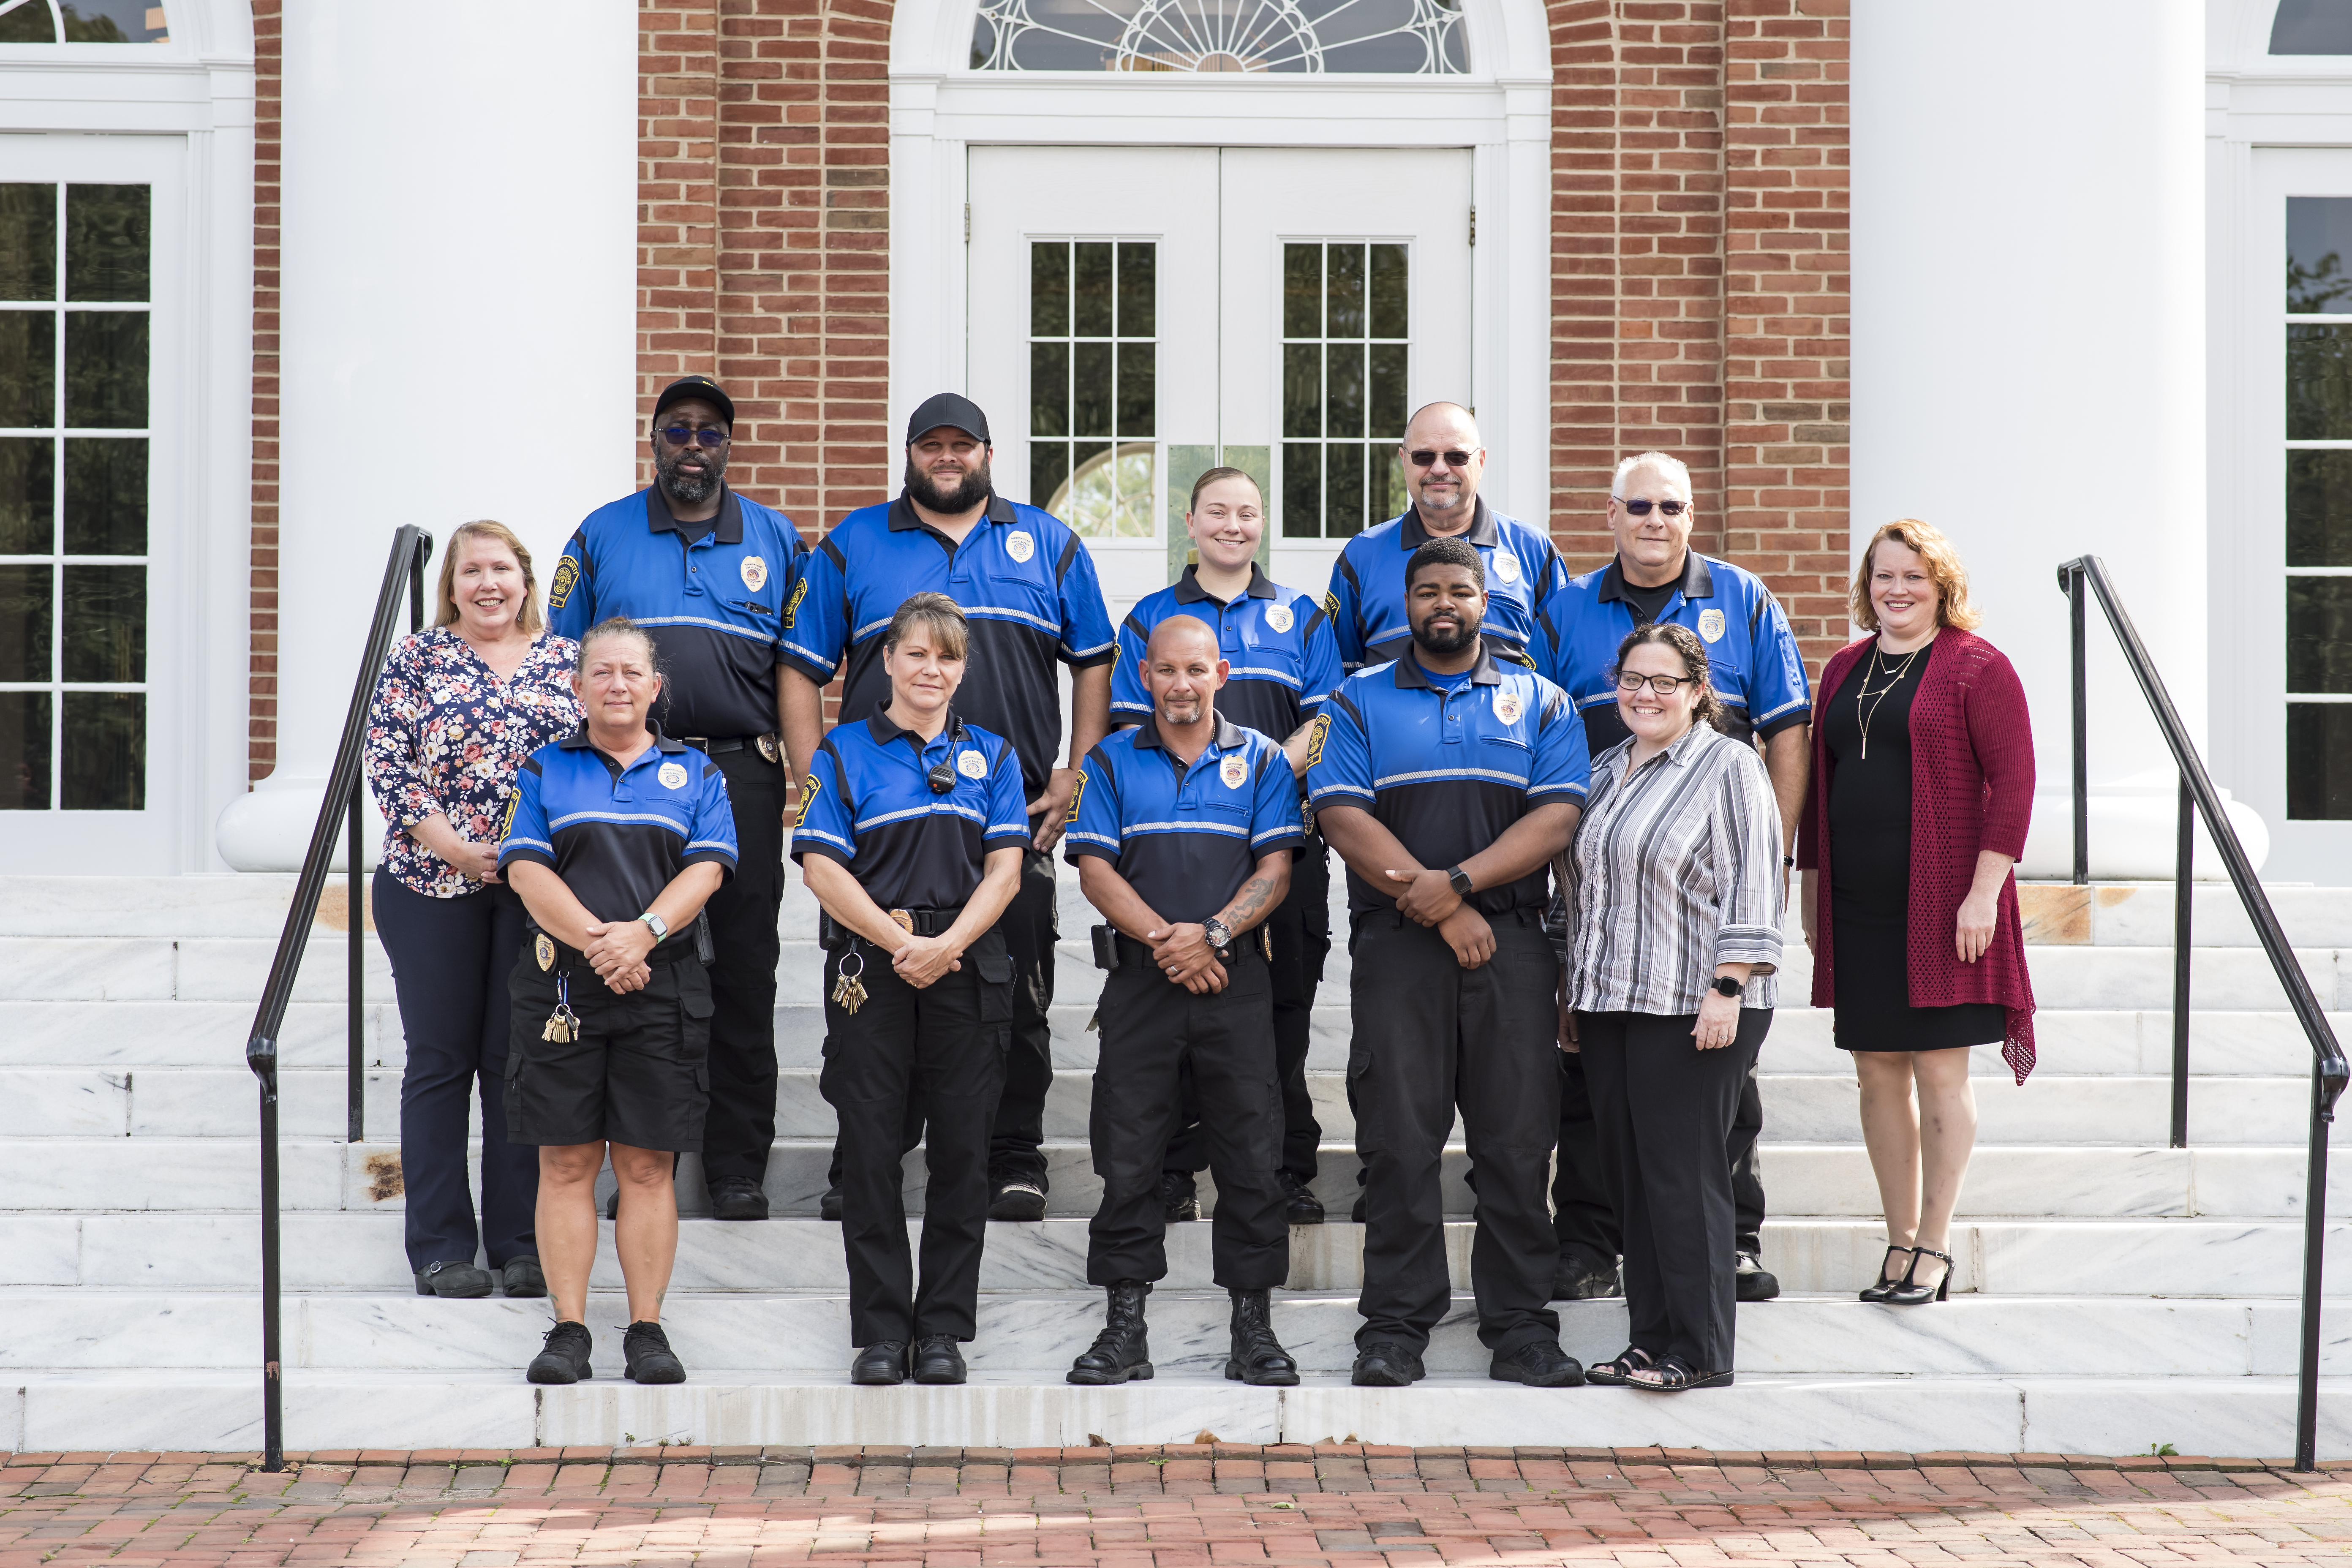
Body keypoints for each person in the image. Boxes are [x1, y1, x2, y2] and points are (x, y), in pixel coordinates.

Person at [782, 393, 1116, 1222]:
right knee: (866, 999)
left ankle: (1015, 1157)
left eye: (960, 445)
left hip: (1013, 817)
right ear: (908, 453)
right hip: (881, 825)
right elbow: (799, 668)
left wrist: (1078, 768)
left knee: (1018, 999)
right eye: (930, 444)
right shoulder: (855, 543)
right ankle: (867, 1157)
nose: (946, 457)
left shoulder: (1050, 543)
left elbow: (1095, 661)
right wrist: (809, 779)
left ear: (988, 453)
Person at [1307, 536, 1589, 1389]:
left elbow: (1558, 816)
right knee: (1398, 1139)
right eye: (1427, 589)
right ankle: (1394, 1325)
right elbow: (1342, 815)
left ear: (1485, 601)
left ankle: (1521, 1329)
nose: (1443, 603)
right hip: (1399, 947)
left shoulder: (1542, 700)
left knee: (1515, 1141)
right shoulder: (1357, 700)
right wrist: (1442, 905)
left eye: (1458, 589)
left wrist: (1465, 887)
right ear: (1407, 600)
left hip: (1512, 944)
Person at [1545, 451, 1813, 1304]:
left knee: (1719, 1072)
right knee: (1592, 1070)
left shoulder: (1745, 599)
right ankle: (1590, 1239)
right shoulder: (1567, 609)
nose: (1655, 519)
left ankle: (1730, 1237)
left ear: (1690, 514)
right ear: (1611, 514)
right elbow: (1547, 734)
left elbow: (1787, 733)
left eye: (1671, 505)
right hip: (1596, 877)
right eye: (1639, 506)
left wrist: (1765, 860)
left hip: (1703, 887)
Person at [548, 375, 807, 1222]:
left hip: (741, 773)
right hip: (625, 774)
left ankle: (736, 1166)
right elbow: (562, 667)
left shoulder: (777, 538)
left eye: (709, 434)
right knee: (637, 966)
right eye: (676, 431)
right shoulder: (601, 534)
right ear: (653, 440)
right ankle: (638, 1159)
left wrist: (804, 779)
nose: (692, 446)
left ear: (729, 446)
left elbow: (799, 669)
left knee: (743, 965)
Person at [791, 595, 1030, 1386]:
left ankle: (942, 1332)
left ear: (964, 670)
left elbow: (1005, 869)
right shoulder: (844, 750)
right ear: (887, 660)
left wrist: (947, 943)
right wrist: (902, 943)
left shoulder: (992, 755)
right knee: (868, 1151)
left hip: (967, 966)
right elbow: (823, 867)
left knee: (964, 1152)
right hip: (874, 965)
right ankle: (882, 1330)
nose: (932, 670)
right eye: (917, 654)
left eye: (948, 658)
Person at [1798, 519, 2036, 1307]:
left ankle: (1933, 1244)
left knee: (1939, 1072)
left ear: (1941, 586)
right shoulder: (1840, 669)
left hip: (1944, 905)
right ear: (1865, 586)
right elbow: (1819, 788)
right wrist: (1809, 890)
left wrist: (1982, 892)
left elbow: (2013, 785)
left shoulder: (1977, 667)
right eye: (1882, 576)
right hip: (1858, 905)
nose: (1895, 590)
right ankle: (1897, 1238)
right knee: (1874, 1074)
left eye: (1913, 577)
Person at [1063, 617, 1305, 1387]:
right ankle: (1123, 1327)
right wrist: (1173, 941)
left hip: (1234, 980)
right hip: (1141, 982)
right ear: (1144, 675)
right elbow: (1095, 872)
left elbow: (1275, 869)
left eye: (1195, 670)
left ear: (1221, 673)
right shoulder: (1107, 760)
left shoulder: (1263, 759)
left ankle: (1253, 1327)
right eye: (1166, 671)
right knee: (1128, 1151)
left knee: (1250, 1152)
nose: (1180, 685)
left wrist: (1212, 934)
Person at [497, 618, 738, 1387]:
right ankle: (568, 1328)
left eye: (632, 672)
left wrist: (643, 935)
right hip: (563, 986)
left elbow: (706, 871)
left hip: (661, 985)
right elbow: (527, 874)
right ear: (576, 686)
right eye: (601, 672)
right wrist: (605, 946)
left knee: (645, 1164)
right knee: (565, 1161)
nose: (617, 684)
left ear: (655, 687)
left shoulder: (697, 775)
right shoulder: (542, 770)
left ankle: (645, 1329)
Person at [1112, 467, 1341, 1227]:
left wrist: (1256, 771)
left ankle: (1283, 1167)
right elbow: (1123, 729)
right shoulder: (1150, 616)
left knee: (1280, 1009)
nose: (1232, 525)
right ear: (1190, 521)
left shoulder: (1303, 618)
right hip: (1172, 848)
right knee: (1178, 997)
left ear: (1263, 522)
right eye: (1217, 512)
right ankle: (1173, 1169)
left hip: (1280, 843)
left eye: (1247, 512)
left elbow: (1327, 722)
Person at [364, 520, 582, 1301]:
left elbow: (589, 763)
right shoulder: (419, 659)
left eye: (501, 568)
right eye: (470, 571)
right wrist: (455, 845)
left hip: (538, 892)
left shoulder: (565, 659)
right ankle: (441, 1245)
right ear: (449, 585)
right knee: (440, 1061)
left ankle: (521, 1242)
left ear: (525, 579)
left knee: (516, 1065)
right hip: (431, 883)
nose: (487, 583)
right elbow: (387, 759)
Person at [1565, 622, 1784, 1393]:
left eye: (1663, 682)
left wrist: (1727, 987)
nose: (1644, 695)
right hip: (1612, 1001)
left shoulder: (1729, 767)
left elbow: (1756, 884)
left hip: (1696, 1003)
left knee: (1683, 1175)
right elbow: (1586, 891)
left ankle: (1698, 1349)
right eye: (1632, 680)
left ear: (1697, 692)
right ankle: (1647, 1339)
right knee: (1630, 1178)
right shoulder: (1602, 770)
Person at [1324, 401, 1573, 683]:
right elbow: (1338, 674)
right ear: (1404, 461)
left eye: (1456, 456)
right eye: (1423, 456)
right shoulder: (1362, 556)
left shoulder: (1534, 550)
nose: (1440, 468)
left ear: (1481, 462)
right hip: (1392, 726)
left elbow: (1563, 666)